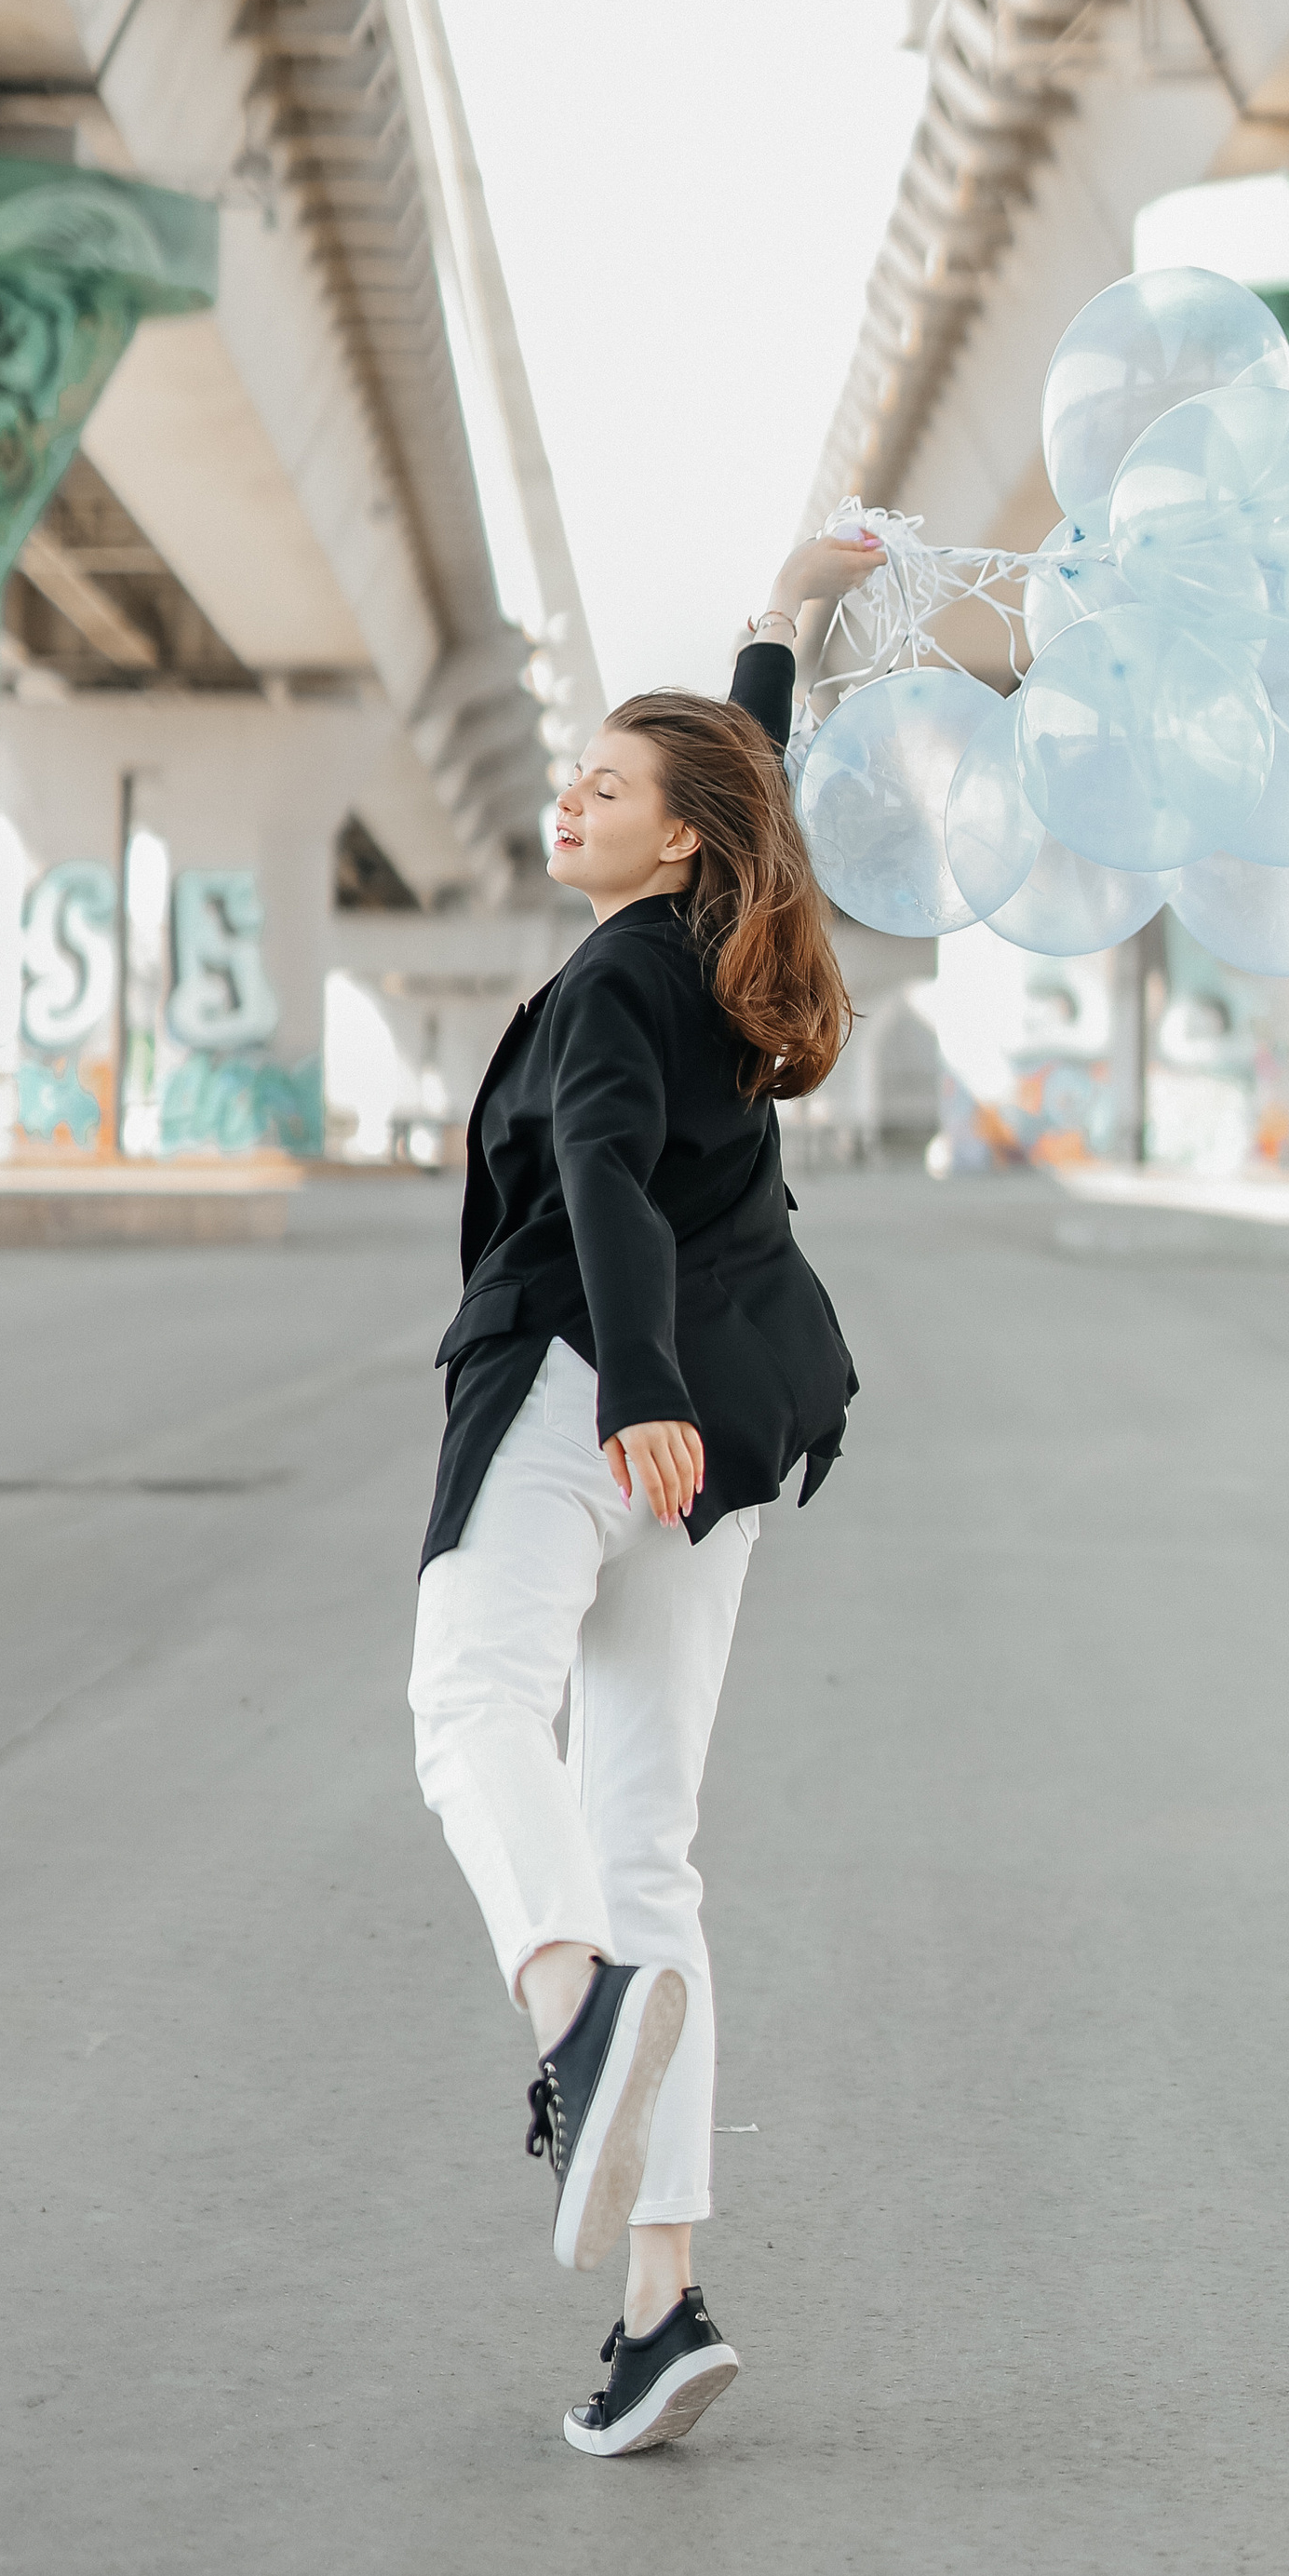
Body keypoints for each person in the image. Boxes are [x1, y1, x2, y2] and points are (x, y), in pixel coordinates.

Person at [408, 527, 884, 2458]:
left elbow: (597, 1175)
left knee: (461, 1706)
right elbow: (745, 772)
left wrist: (638, 1390)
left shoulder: (616, 981)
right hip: (735, 1431)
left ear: (669, 844)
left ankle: (565, 2002)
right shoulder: (721, 947)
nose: (569, 798)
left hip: (591, 1392)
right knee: (647, 1843)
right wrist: (779, 626)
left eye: (605, 787)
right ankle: (662, 2303)